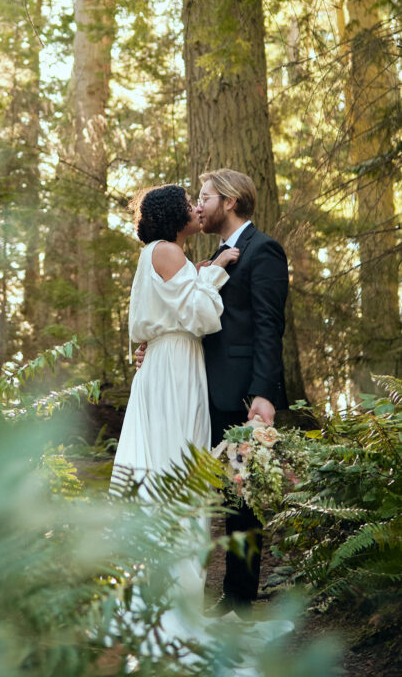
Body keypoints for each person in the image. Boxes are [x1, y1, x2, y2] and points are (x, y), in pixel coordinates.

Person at [136, 168, 289, 612]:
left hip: (241, 394)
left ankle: (239, 598)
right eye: (196, 198)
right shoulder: (207, 258)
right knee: (207, 494)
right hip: (198, 393)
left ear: (231, 200)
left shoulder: (264, 251)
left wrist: (264, 393)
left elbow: (268, 328)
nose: (198, 205)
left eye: (204, 197)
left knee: (242, 496)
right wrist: (155, 347)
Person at [111, 183, 240, 501]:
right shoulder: (168, 251)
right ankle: (178, 542)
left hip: (167, 360)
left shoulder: (156, 253)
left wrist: (197, 274)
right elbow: (201, 315)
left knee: (169, 452)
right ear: (172, 213)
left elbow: (171, 306)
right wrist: (216, 270)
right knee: (178, 454)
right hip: (175, 366)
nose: (197, 208)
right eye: (187, 204)